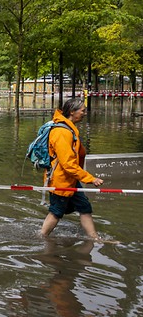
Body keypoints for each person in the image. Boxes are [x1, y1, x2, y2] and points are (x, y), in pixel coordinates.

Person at [40, 98, 104, 240]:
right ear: (72, 112)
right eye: (82, 110)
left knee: (84, 207)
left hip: (71, 179)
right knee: (56, 212)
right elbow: (67, 163)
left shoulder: (69, 129)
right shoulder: (62, 132)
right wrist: (90, 178)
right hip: (60, 181)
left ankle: (95, 239)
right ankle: (41, 238)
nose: (84, 113)